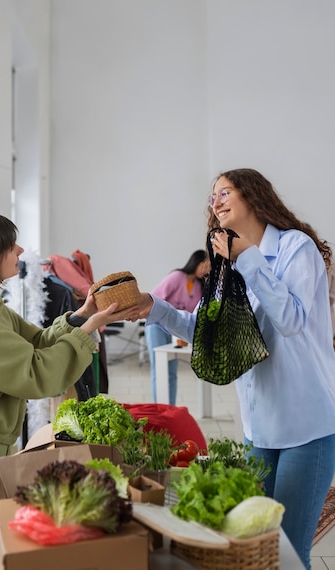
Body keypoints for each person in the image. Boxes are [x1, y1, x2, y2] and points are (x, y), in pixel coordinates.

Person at [135, 168, 335, 570]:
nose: (216, 201)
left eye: (224, 192)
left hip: (307, 429)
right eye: (213, 197)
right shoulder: (226, 266)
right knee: (258, 547)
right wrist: (153, 308)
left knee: (289, 554)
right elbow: (206, 332)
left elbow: (291, 319)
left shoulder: (296, 248)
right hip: (259, 430)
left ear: (253, 196)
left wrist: (248, 258)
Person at [0, 213, 138, 570]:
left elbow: (35, 341)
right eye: (11, 246)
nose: (20, 250)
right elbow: (36, 373)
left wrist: (82, 316)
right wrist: (87, 335)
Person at [144, 250, 209, 405]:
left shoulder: (200, 287)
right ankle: (159, 407)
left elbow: (193, 316)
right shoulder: (177, 277)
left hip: (176, 330)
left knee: (172, 371)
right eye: (205, 265)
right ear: (196, 262)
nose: (207, 269)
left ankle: (170, 407)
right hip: (157, 326)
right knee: (159, 368)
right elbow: (155, 299)